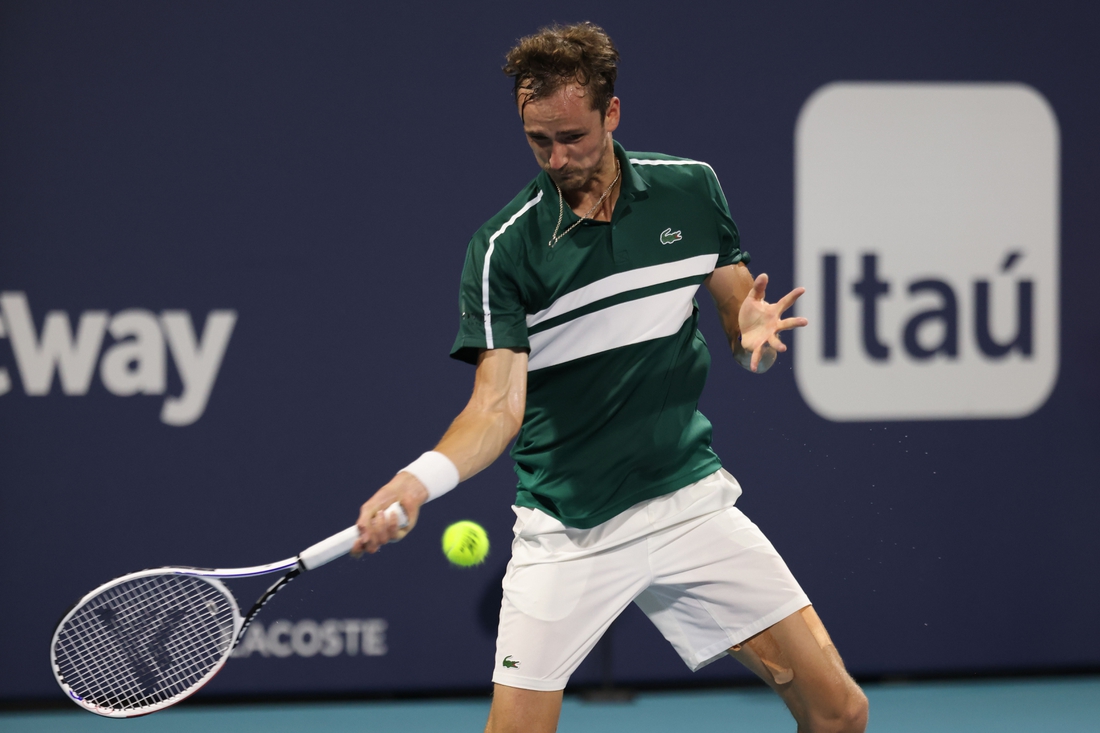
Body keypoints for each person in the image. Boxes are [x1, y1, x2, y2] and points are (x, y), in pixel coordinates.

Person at [353, 21, 868, 733]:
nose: (558, 158)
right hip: (568, 529)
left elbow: (737, 313)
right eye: (539, 140)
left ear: (612, 113)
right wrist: (418, 480)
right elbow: (496, 407)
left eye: (574, 137)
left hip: (687, 500)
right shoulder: (505, 248)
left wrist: (753, 333)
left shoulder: (691, 190)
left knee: (840, 711)